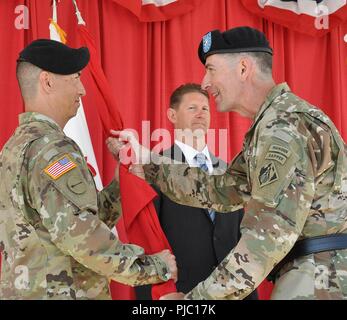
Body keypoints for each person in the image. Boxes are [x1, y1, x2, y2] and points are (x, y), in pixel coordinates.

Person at [109, 26, 347, 300]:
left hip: (320, 280)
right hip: (316, 274)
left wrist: (192, 301)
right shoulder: (273, 124)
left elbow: (266, 238)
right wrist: (146, 160)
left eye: (211, 69)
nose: (205, 82)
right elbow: (221, 189)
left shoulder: (282, 128)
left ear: (243, 68)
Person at [0, 39, 177, 300]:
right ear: (48, 82)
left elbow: (69, 222)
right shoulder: (52, 149)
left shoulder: (13, 148)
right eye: (75, 78)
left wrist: (120, 183)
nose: (82, 90)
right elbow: (81, 237)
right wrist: (154, 267)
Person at [134, 83, 258, 300]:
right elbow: (145, 236)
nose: (201, 114)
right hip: (181, 294)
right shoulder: (153, 168)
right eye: (192, 108)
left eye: (205, 109)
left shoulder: (229, 171)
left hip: (233, 292)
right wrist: (154, 297)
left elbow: (240, 237)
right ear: (172, 115)